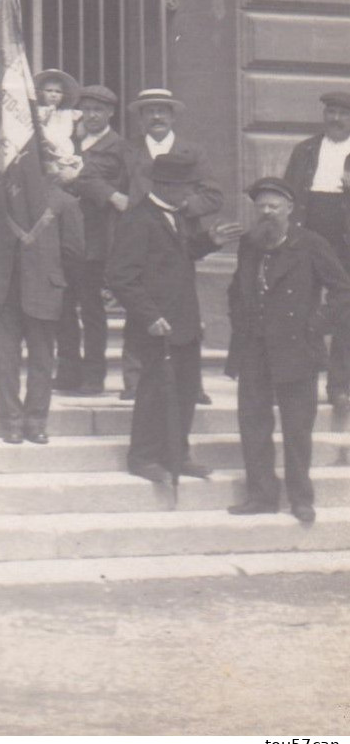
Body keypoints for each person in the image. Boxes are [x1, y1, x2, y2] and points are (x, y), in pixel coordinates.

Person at [223, 178, 350, 524]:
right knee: (253, 424)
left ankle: (300, 499)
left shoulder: (311, 245)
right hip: (253, 349)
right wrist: (240, 318)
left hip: (296, 351)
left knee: (297, 429)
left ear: (290, 210)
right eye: (261, 206)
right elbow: (237, 287)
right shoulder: (249, 244)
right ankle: (261, 495)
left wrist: (316, 324)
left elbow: (343, 291)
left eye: (273, 207)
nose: (266, 213)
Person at [105, 151, 230, 486]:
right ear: (167, 186)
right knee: (154, 392)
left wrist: (208, 242)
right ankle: (143, 458)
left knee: (186, 389)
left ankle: (177, 454)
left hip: (184, 323)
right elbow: (121, 276)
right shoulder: (138, 218)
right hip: (155, 325)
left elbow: (176, 255)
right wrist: (150, 316)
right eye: (187, 187)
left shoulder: (176, 215)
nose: (190, 194)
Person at [0, 158, 86, 444]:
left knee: (42, 360)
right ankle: (12, 420)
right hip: (1, 289)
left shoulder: (64, 203)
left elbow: (74, 254)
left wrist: (59, 285)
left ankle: (36, 420)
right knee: (4, 360)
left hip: (43, 292)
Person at [120, 88, 223, 402]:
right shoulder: (128, 151)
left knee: (183, 307)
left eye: (162, 110)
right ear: (140, 118)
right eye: (149, 111)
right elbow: (101, 182)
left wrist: (182, 205)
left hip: (180, 240)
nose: (156, 116)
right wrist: (115, 198)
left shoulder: (192, 151)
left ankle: (191, 382)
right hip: (138, 238)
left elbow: (214, 196)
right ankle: (135, 380)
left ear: (173, 115)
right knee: (137, 305)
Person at [57, 85, 130, 395]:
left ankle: (93, 375)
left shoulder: (120, 148)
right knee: (63, 307)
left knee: (91, 309)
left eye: (99, 110)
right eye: (87, 110)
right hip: (63, 236)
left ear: (110, 113)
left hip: (94, 239)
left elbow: (119, 189)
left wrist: (86, 181)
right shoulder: (67, 143)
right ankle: (68, 372)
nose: (92, 115)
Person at [281, 91, 350, 410]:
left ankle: (340, 386)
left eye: (343, 113)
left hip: (346, 238)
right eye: (331, 112)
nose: (336, 119)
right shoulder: (306, 150)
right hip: (308, 235)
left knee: (346, 311)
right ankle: (295, 379)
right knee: (299, 302)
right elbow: (288, 195)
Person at [34, 68, 81, 158]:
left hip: (65, 155)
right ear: (41, 93)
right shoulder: (36, 112)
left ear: (64, 95)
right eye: (49, 90)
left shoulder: (70, 114)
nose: (53, 95)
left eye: (58, 91)